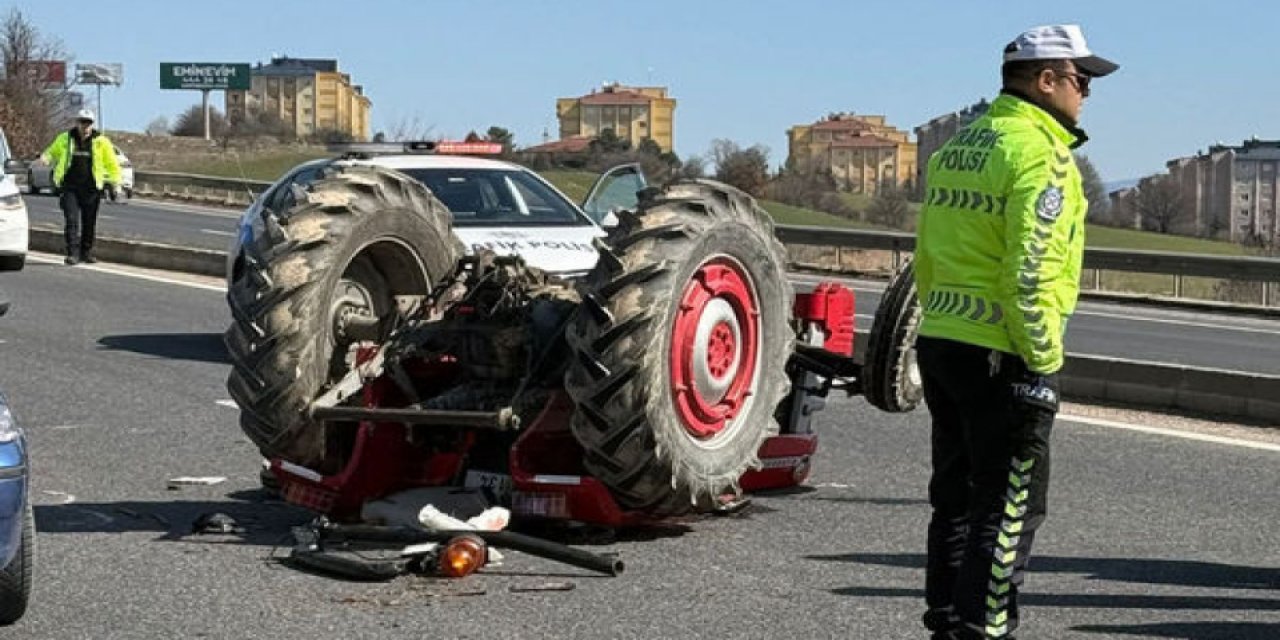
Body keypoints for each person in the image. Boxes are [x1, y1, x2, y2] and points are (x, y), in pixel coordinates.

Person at [912, 24, 1118, 639]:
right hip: (1005, 352)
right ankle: (986, 629)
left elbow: (928, 255)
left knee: (953, 500)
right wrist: (1042, 360)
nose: (1087, 93)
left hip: (943, 338)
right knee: (1008, 511)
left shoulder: (959, 146)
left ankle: (947, 625)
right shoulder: (1043, 156)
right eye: (1082, 80)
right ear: (1045, 81)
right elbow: (1028, 270)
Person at [40, 108, 122, 265]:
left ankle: (86, 252)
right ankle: (73, 253)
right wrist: (46, 158)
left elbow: (112, 164)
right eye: (82, 122)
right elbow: (52, 152)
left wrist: (115, 184)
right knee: (71, 220)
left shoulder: (102, 142)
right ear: (77, 123)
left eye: (88, 123)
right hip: (70, 187)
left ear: (92, 125)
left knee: (89, 222)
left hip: (91, 189)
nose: (85, 126)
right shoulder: (65, 138)